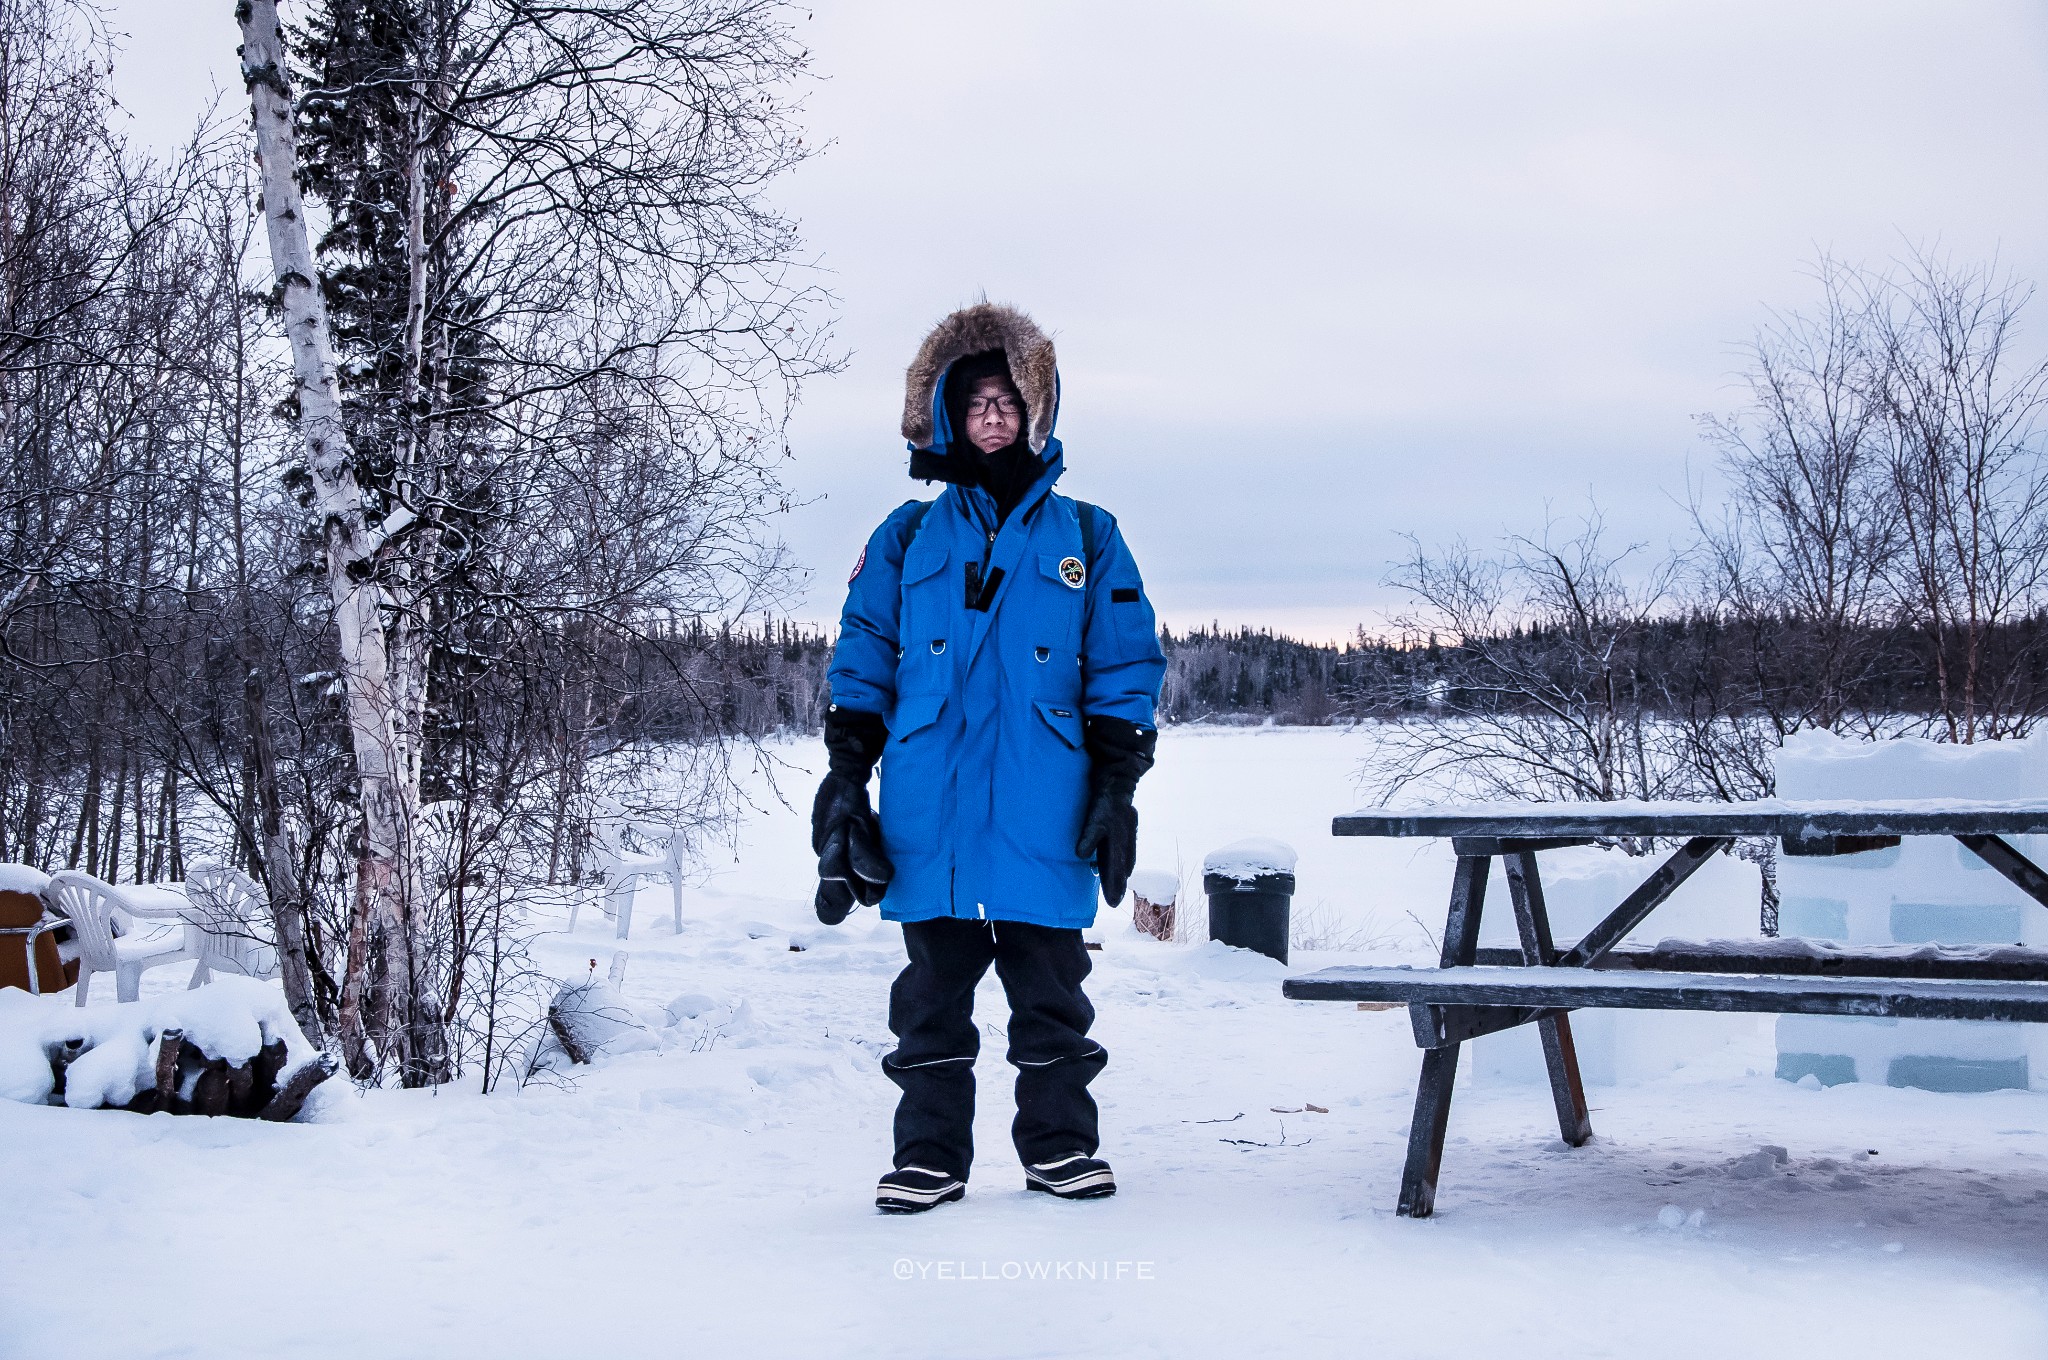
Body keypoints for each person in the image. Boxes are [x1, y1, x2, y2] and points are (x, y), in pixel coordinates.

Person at [813, 303, 1167, 1213]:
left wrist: (1118, 783)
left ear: (1039, 408)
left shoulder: (1089, 535)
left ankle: (1060, 1150)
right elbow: (863, 652)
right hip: (931, 808)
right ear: (946, 415)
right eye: (976, 401)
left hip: (1047, 803)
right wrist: (848, 773)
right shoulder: (906, 536)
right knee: (930, 996)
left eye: (1010, 398)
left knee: (1052, 994)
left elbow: (1126, 663)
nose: (994, 415)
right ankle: (929, 1157)